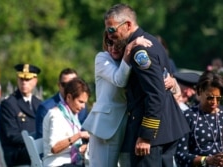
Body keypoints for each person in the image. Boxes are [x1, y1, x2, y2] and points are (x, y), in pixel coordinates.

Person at [104, 4, 190, 167]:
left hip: (153, 136)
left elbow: (155, 93)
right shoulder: (152, 41)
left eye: (112, 30)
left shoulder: (139, 51)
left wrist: (146, 135)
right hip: (166, 128)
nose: (110, 36)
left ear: (127, 25)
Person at [82, 31, 153, 167]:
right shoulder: (102, 58)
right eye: (109, 42)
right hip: (106, 125)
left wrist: (171, 80)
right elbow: (119, 80)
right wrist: (129, 48)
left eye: (119, 44)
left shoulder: (131, 58)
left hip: (130, 124)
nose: (113, 47)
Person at [175, 70, 223, 167]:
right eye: (210, 97)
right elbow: (180, 155)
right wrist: (206, 160)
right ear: (200, 91)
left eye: (218, 98)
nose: (214, 102)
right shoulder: (188, 116)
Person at [0, 63, 42, 166]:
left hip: (34, 150)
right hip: (17, 153)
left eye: (27, 80)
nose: (24, 82)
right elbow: (12, 135)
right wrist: (35, 140)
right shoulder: (9, 104)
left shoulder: (39, 103)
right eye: (21, 79)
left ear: (35, 81)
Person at [43, 77, 90, 167]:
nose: (83, 106)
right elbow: (55, 148)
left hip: (72, 163)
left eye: (85, 103)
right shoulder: (55, 115)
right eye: (80, 102)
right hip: (57, 163)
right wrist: (79, 135)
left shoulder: (72, 116)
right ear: (69, 97)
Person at [35, 68, 89, 139]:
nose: (68, 88)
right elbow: (42, 140)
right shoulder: (46, 108)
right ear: (59, 85)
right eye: (64, 84)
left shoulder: (82, 107)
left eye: (72, 85)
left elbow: (85, 133)